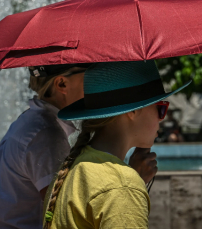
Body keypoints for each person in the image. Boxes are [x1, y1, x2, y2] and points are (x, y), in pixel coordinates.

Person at [0, 63, 160, 229]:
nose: (97, 81)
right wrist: (130, 181)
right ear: (62, 83)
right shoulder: (47, 135)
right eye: (91, 74)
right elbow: (63, 211)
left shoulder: (37, 126)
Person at [42, 60, 191, 229]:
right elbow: (114, 192)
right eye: (161, 108)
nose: (161, 119)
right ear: (133, 111)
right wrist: (129, 185)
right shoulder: (120, 186)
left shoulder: (76, 165)